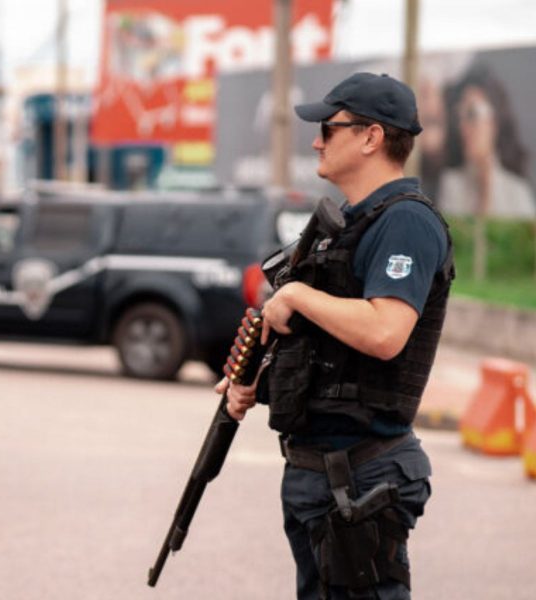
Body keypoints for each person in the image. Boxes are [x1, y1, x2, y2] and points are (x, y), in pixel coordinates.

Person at [215, 72, 454, 599]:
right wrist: (256, 382)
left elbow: (386, 333)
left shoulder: (406, 222)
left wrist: (297, 296)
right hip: (321, 472)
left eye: (330, 127)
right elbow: (328, 351)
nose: (318, 140)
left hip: (362, 474)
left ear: (371, 137)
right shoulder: (347, 225)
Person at [438, 61, 536, 219]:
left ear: (495, 120)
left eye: (472, 114)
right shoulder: (451, 185)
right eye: (459, 116)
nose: (463, 127)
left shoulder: (518, 190)